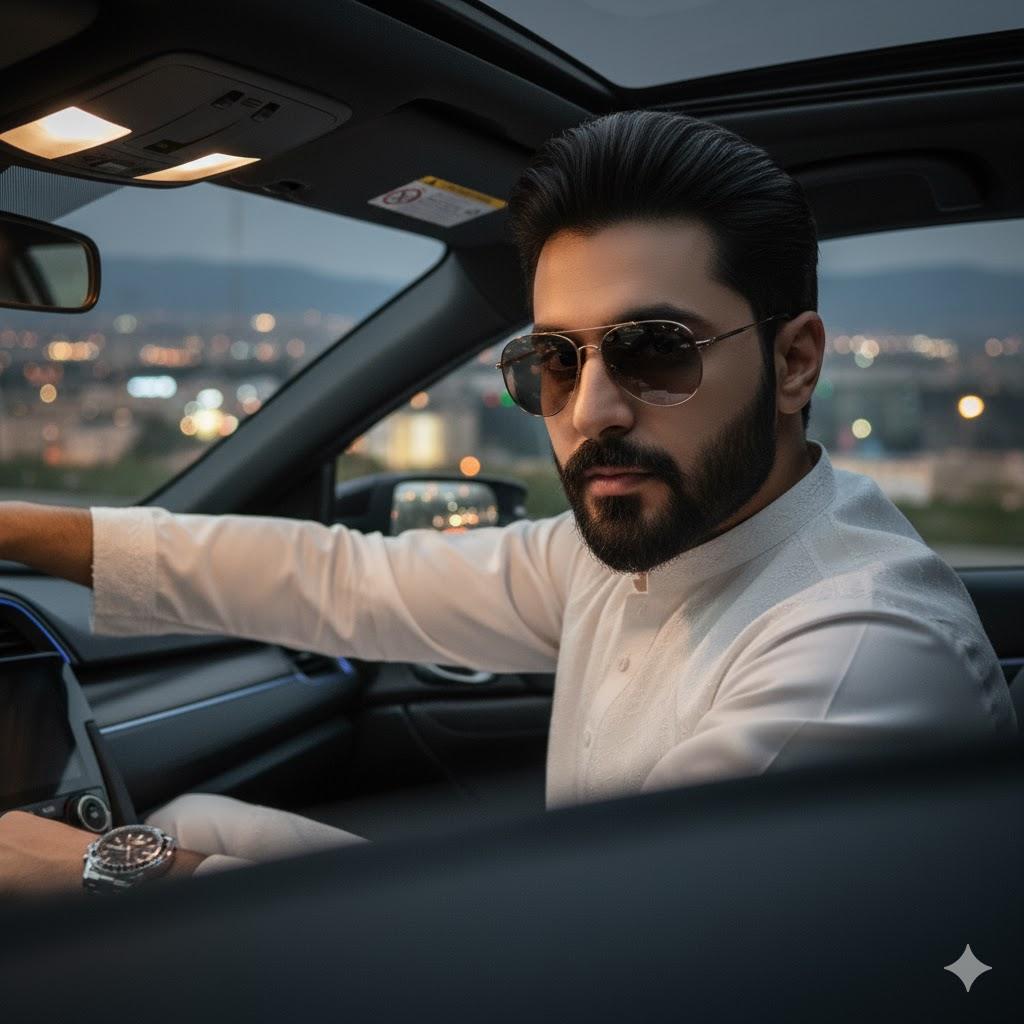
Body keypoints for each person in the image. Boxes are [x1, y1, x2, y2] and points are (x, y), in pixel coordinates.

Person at [0, 110, 1016, 894]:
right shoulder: (647, 543)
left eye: (655, 350)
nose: (590, 410)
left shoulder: (850, 656)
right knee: (209, 819)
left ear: (795, 362)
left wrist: (104, 872)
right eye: (553, 361)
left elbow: (581, 963)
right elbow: (343, 579)